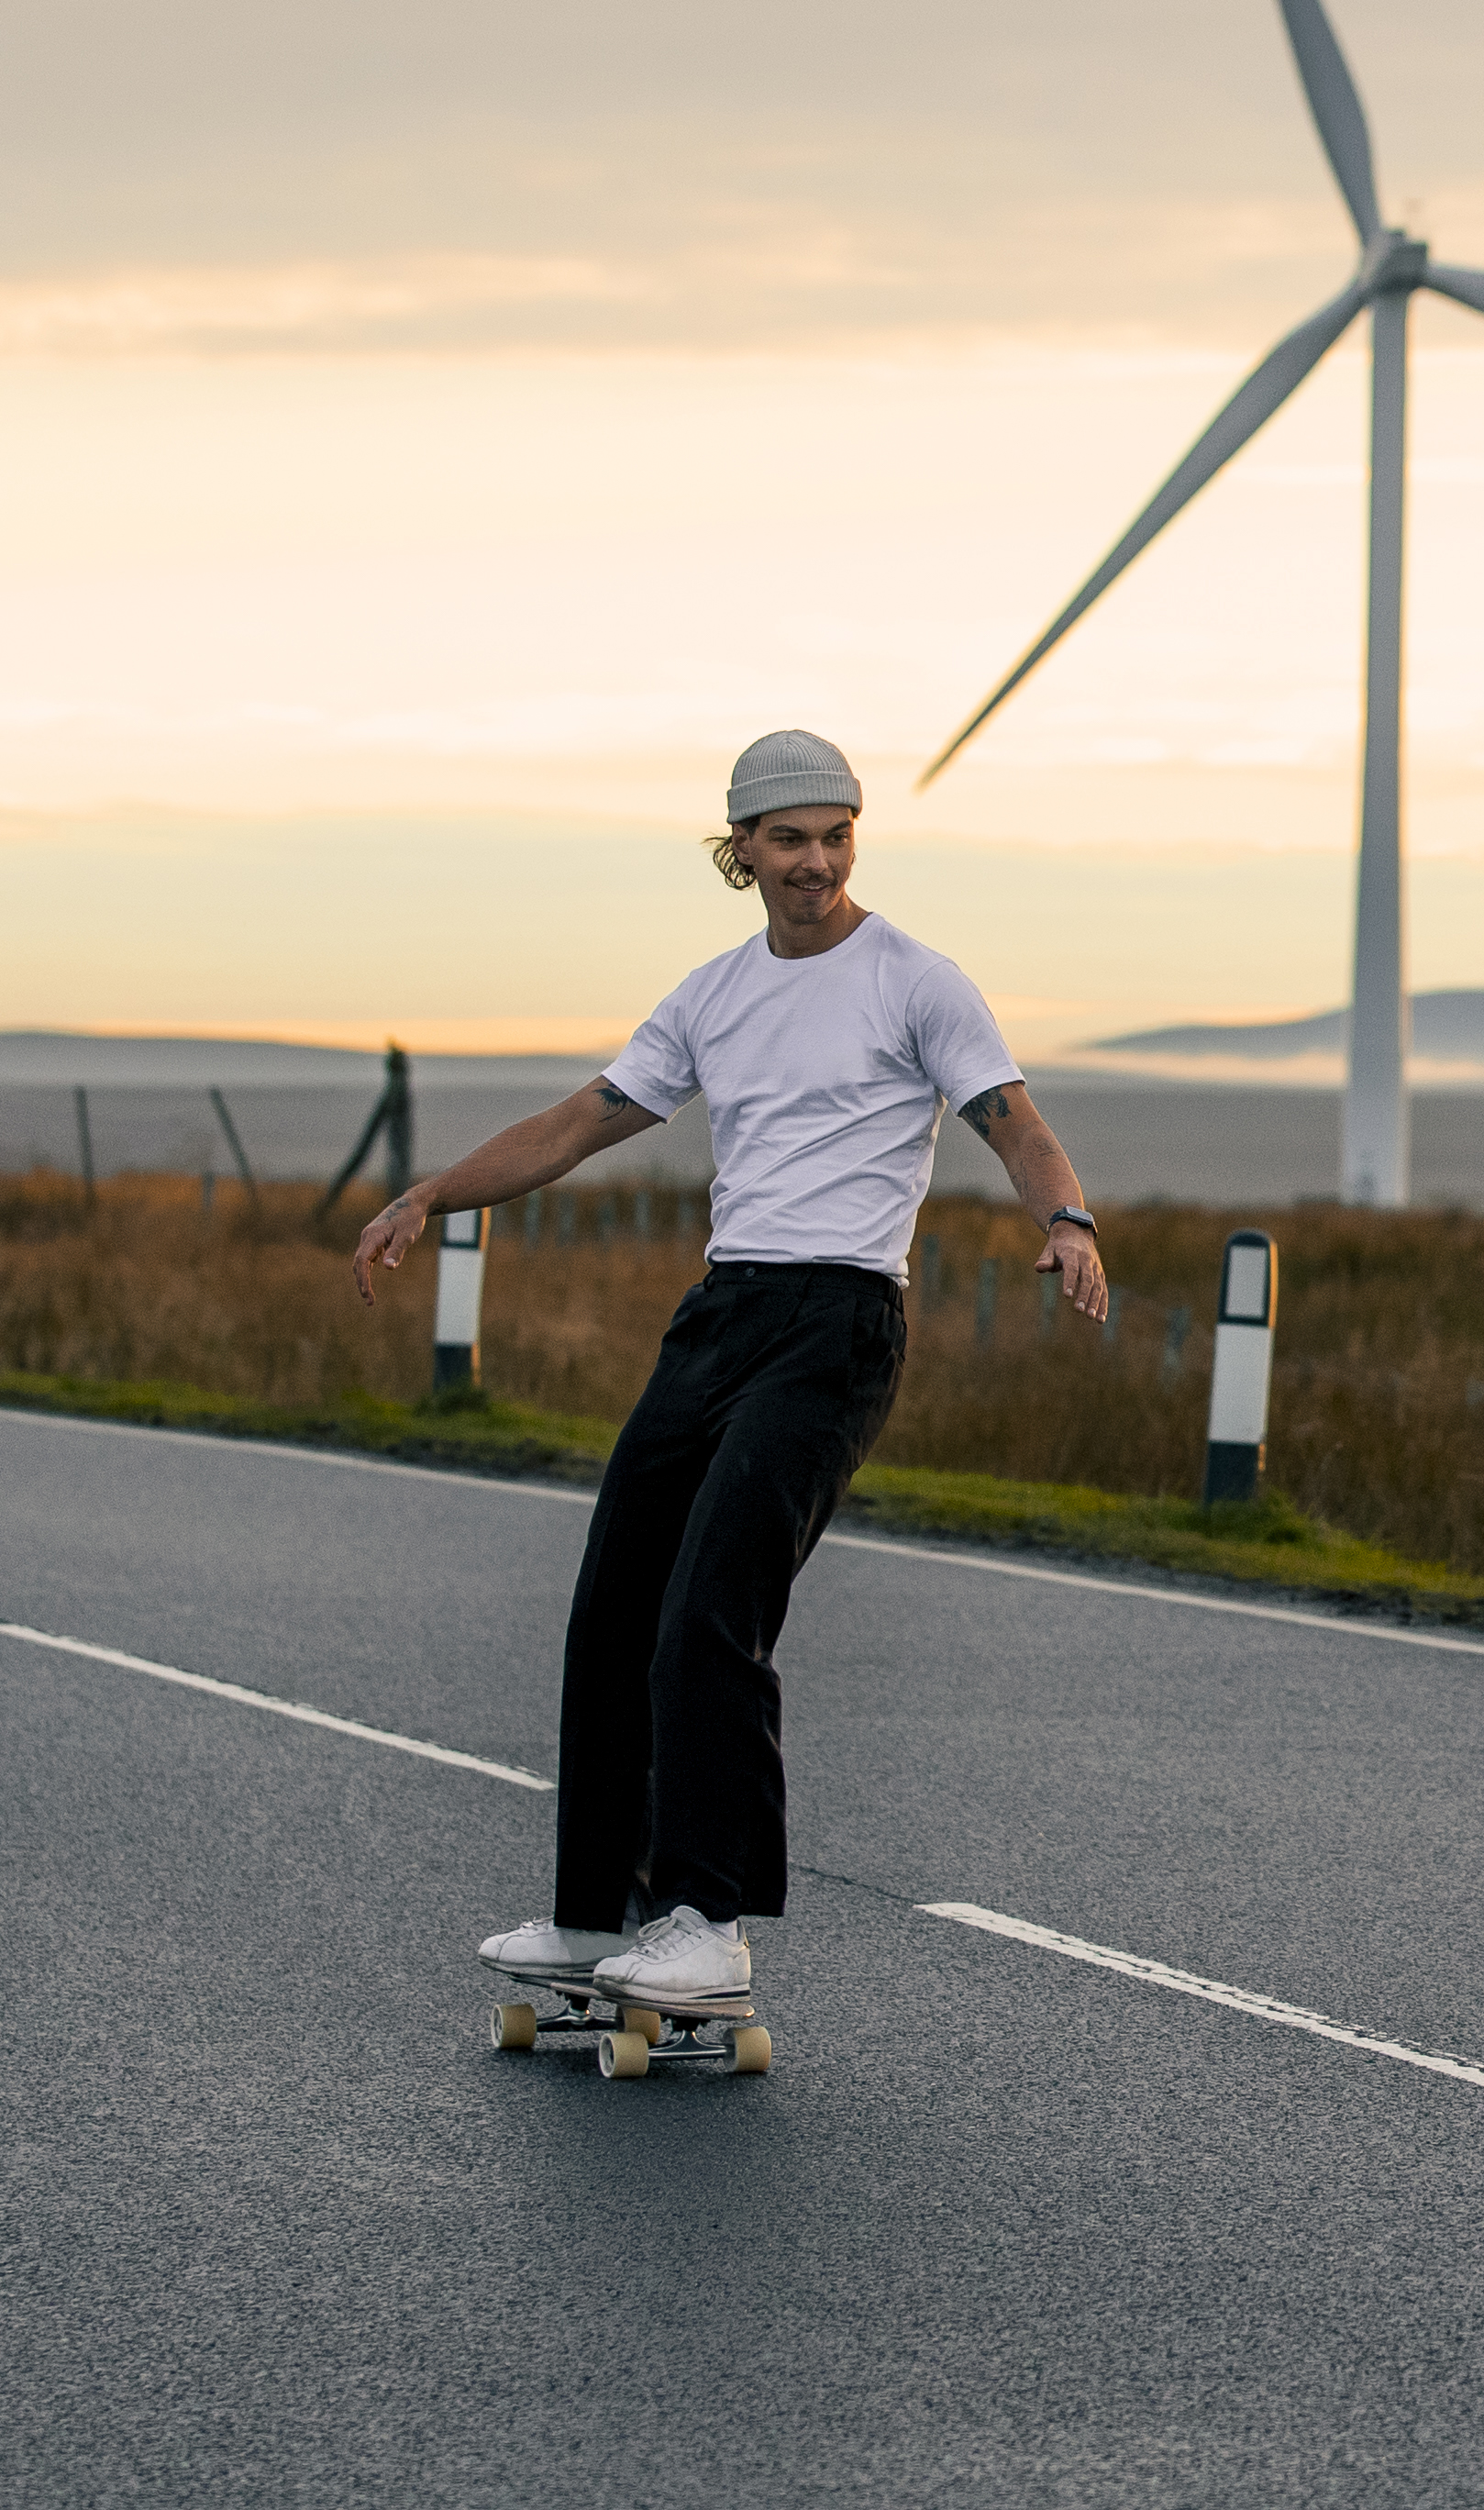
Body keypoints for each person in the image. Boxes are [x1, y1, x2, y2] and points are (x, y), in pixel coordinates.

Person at [350, 728, 1107, 2015]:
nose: (816, 862)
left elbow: (1014, 1120)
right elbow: (576, 1124)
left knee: (713, 1609)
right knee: (616, 1604)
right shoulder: (711, 994)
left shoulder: (916, 981)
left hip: (839, 1324)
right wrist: (432, 1192)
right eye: (789, 840)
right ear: (740, 851)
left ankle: (706, 1919)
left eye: (836, 836)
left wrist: (1069, 1221)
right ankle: (598, 1918)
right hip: (723, 1311)